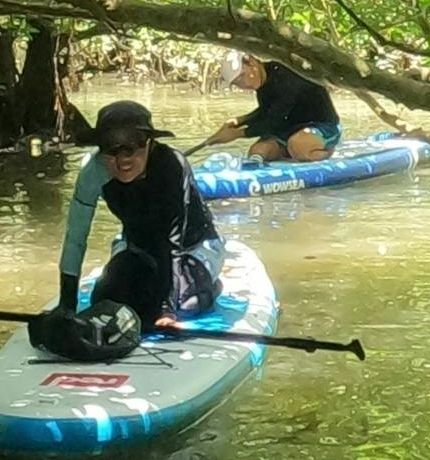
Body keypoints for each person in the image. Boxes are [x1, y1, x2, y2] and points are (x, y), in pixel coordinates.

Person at [48, 99, 224, 329]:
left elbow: (173, 241)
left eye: (131, 147)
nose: (123, 160)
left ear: (149, 144)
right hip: (136, 246)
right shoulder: (94, 173)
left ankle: (212, 286)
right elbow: (75, 238)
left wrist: (166, 309)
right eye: (111, 148)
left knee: (186, 305)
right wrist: (67, 305)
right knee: (105, 300)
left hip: (191, 247)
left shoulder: (171, 165)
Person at [201, 51, 342, 163]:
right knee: (257, 151)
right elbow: (267, 111)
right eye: (237, 83)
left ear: (252, 62)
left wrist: (236, 134)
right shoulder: (263, 82)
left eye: (242, 77)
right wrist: (240, 121)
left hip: (322, 125)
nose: (243, 84)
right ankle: (290, 154)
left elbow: (272, 120)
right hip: (289, 129)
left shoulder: (285, 76)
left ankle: (325, 152)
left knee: (297, 145)